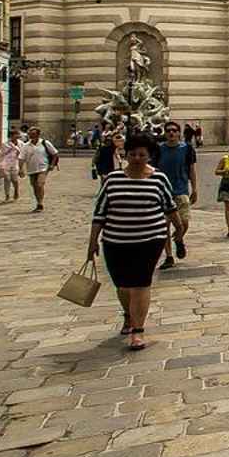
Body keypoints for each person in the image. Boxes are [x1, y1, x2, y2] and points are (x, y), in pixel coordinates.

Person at [89, 132, 180, 351]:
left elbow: (170, 206)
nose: (137, 158)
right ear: (125, 154)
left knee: (141, 282)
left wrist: (180, 229)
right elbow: (100, 213)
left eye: (142, 155)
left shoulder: (159, 178)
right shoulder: (113, 179)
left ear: (149, 156)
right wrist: (92, 242)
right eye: (133, 154)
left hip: (150, 240)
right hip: (115, 241)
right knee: (122, 284)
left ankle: (138, 331)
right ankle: (128, 314)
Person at [155, 121, 198, 269]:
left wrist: (195, 188)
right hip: (163, 192)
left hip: (181, 190)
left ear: (179, 133)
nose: (171, 133)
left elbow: (191, 169)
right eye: (168, 131)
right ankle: (169, 256)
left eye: (174, 130)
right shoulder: (159, 149)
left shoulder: (187, 148)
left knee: (184, 223)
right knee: (164, 226)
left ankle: (178, 239)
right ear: (165, 133)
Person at [21, 127, 59, 213]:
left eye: (33, 134)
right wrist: (20, 169)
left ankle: (40, 203)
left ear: (38, 134)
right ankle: (38, 202)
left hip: (43, 167)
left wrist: (52, 164)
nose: (31, 136)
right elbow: (21, 158)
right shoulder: (26, 145)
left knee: (39, 184)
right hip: (31, 168)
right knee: (35, 186)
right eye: (30, 134)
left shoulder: (45, 143)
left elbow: (55, 153)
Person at [0, 130, 23, 202]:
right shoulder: (5, 144)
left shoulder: (21, 143)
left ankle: (16, 191)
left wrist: (22, 166)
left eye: (17, 135)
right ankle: (7, 195)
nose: (17, 136)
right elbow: (0, 154)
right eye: (15, 135)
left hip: (15, 163)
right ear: (11, 136)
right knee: (7, 179)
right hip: (5, 163)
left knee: (15, 179)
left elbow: (23, 153)